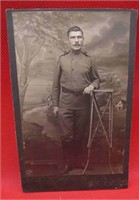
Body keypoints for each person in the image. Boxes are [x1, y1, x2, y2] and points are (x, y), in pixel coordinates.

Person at [52, 26, 100, 174]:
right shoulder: (62, 59)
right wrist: (55, 105)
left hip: (83, 103)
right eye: (73, 37)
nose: (76, 40)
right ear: (68, 40)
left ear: (83, 39)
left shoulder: (89, 60)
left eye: (79, 37)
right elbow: (55, 84)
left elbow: (97, 79)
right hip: (65, 102)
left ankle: (79, 161)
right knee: (67, 135)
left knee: (81, 134)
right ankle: (68, 163)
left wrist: (92, 85)